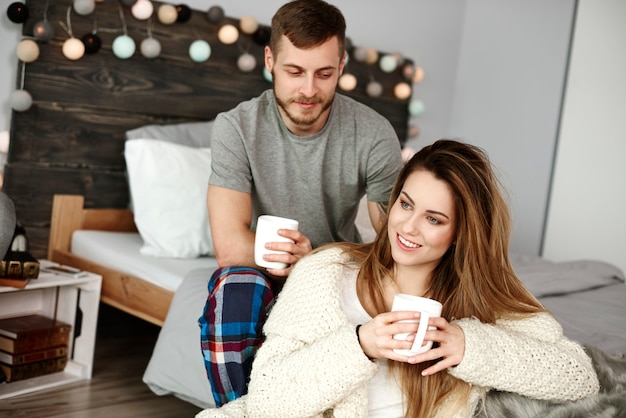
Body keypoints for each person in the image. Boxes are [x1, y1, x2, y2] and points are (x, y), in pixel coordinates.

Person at [196, 139, 599, 418]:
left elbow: (579, 376)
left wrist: (468, 345)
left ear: (460, 233)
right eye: (405, 204)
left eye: (434, 219)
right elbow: (267, 399)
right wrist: (361, 344)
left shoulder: (479, 298)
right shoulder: (327, 271)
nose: (407, 226)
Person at [199, 0, 404, 407]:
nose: (309, 90)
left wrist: (316, 262)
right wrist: (289, 260)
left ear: (342, 65)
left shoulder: (375, 134)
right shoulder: (236, 128)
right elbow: (229, 247)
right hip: (262, 272)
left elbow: (395, 244)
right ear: (270, 60)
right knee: (235, 289)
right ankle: (246, 413)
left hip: (337, 273)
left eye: (324, 73)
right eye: (294, 71)